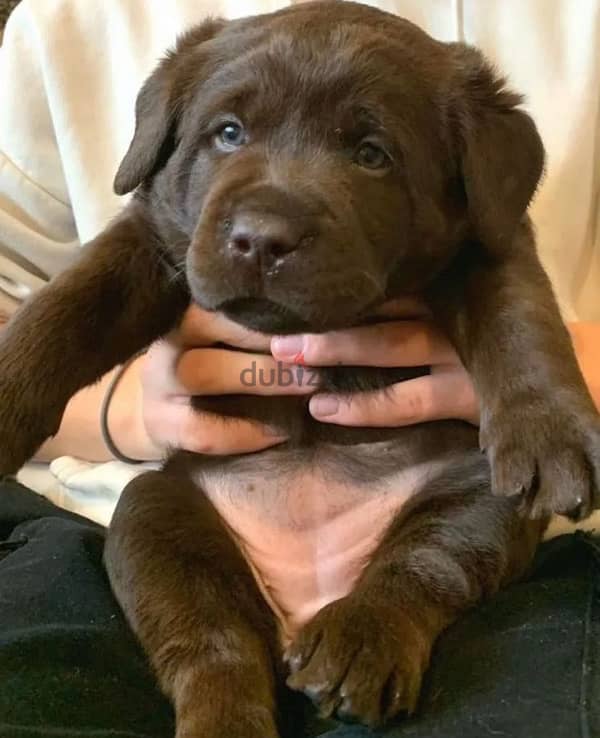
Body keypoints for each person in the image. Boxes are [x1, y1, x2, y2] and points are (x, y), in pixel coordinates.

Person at [0, 1, 599, 737]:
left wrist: (543, 394)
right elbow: (81, 294)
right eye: (228, 133)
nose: (264, 226)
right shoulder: (72, 21)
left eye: (371, 153)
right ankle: (218, 689)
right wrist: (102, 406)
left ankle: (398, 616)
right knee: (144, 526)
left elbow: (499, 267)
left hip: (433, 530)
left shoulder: (465, 101)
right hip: (185, 528)